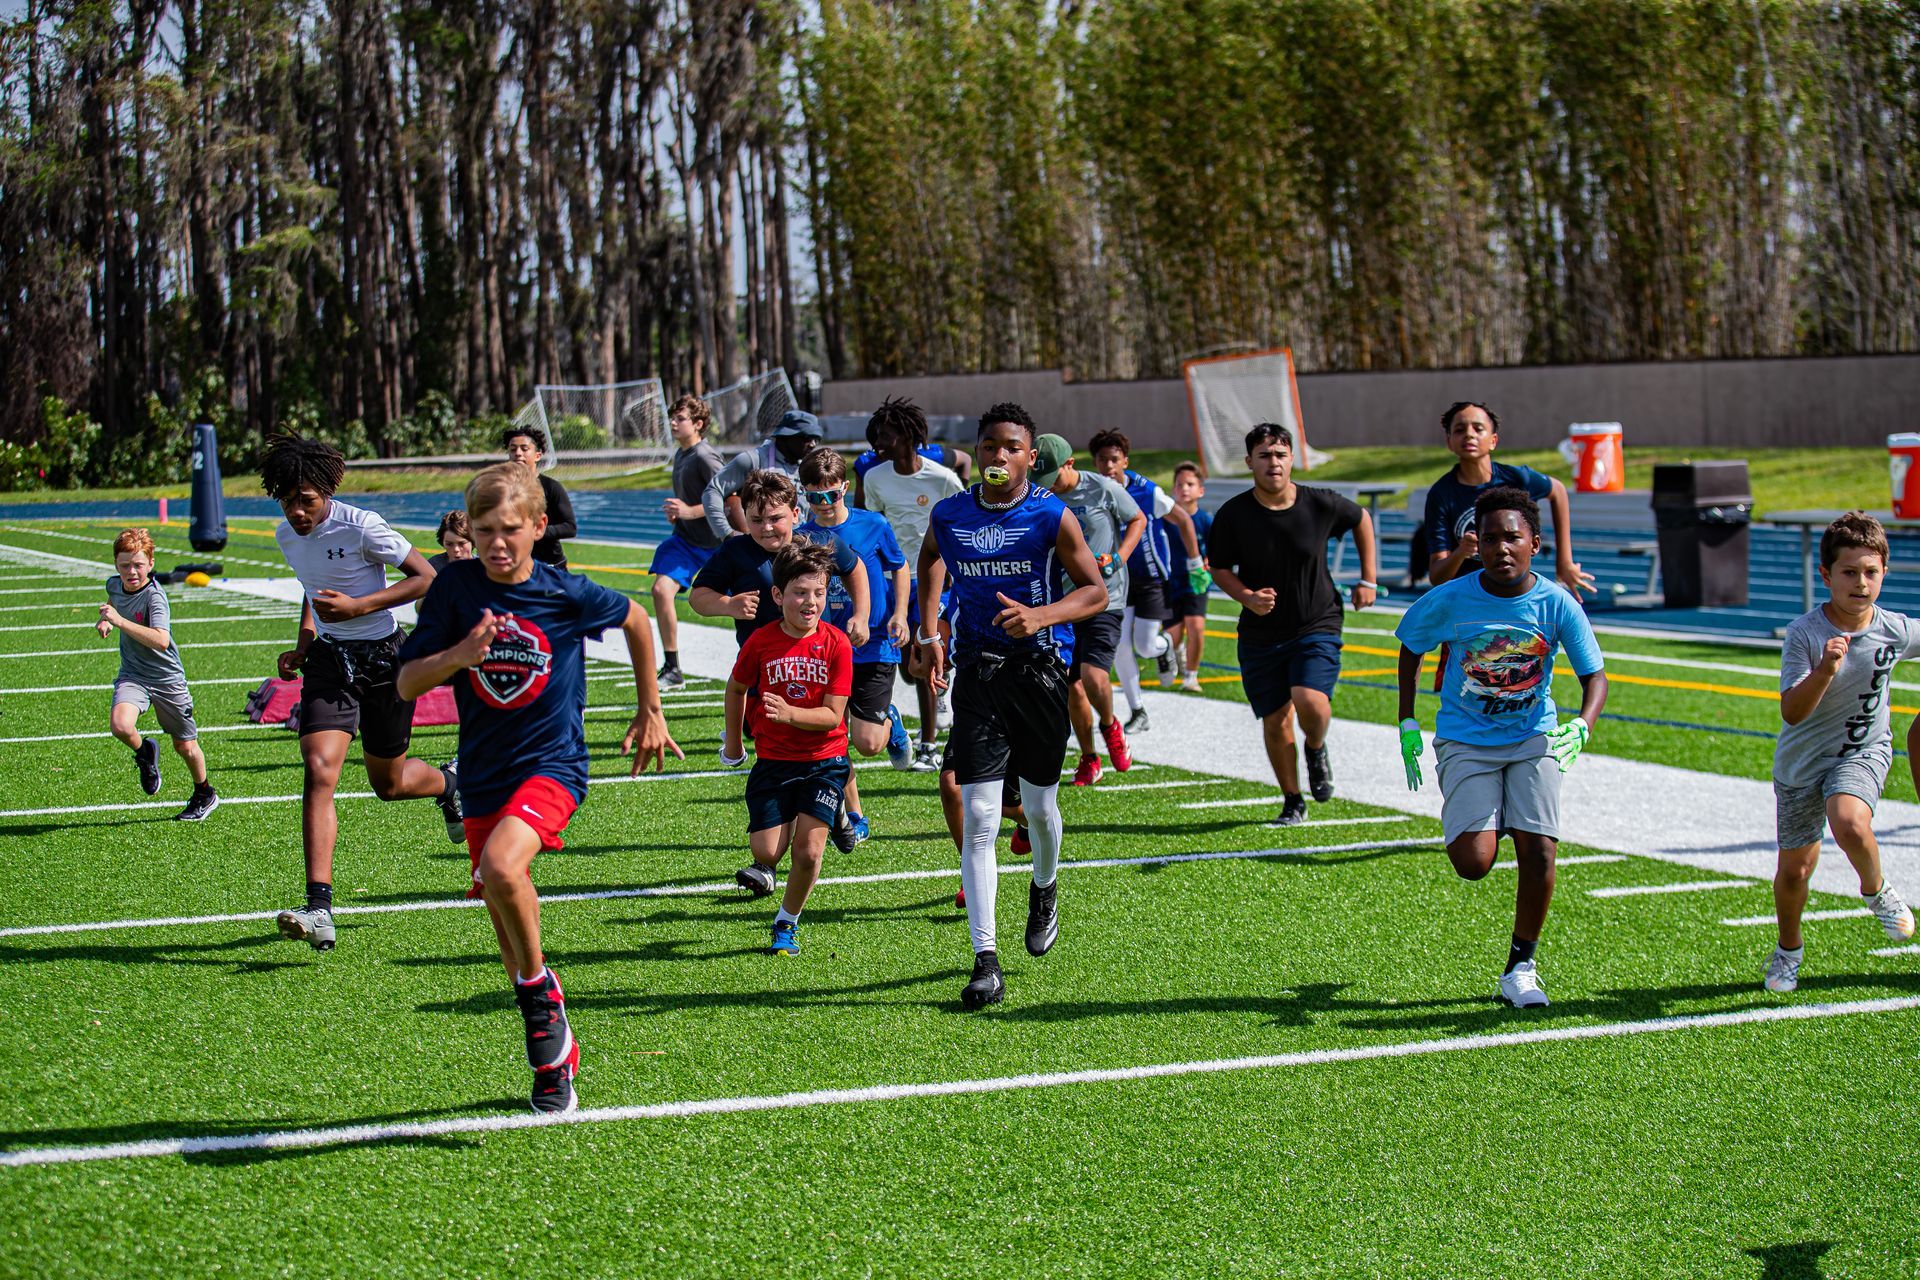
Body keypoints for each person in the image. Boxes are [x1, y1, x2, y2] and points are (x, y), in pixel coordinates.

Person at [398, 462, 680, 1114]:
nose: (498, 544)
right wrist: (457, 657)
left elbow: (638, 618)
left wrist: (652, 708)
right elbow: (408, 684)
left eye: (511, 531)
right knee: (503, 913)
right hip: (484, 772)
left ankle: (540, 1000)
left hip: (554, 765)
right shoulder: (455, 591)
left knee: (501, 865)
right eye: (485, 530)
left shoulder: (565, 592)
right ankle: (555, 1060)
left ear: (538, 527)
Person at [920, 402, 1108, 1009]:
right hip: (978, 674)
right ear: (978, 452)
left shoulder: (1050, 515)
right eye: (988, 446)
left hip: (1040, 676)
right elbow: (928, 563)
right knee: (978, 818)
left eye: (1010, 447)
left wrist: (1040, 617)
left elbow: (1095, 593)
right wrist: (930, 632)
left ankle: (1045, 886)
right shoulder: (950, 513)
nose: (997, 456)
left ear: (1031, 457)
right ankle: (984, 961)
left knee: (1039, 808)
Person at [1394, 486, 1608, 1009]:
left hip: (1534, 736)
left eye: (1512, 537)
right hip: (1466, 739)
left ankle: (1521, 966)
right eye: (1489, 538)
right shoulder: (1452, 597)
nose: (1501, 548)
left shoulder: (1556, 602)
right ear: (1477, 544)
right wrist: (1406, 719)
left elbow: (1594, 675)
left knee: (1539, 851)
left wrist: (1583, 723)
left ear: (1535, 542)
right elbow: (1410, 645)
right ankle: (1497, 814)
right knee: (1473, 861)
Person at [262, 434, 461, 953]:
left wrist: (360, 606)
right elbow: (313, 594)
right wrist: (304, 645)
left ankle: (448, 784)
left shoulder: (363, 526)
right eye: (288, 501)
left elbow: (425, 578)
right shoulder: (287, 535)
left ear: (327, 489)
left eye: (306, 499)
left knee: (389, 785)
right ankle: (319, 908)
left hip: (384, 660)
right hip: (331, 662)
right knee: (319, 769)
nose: (298, 511)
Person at [1766, 512, 1920, 994]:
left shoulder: (1894, 629)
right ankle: (1788, 950)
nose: (1861, 583)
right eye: (1849, 572)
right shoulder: (1805, 634)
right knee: (1796, 871)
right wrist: (1826, 670)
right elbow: (1793, 711)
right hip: (1801, 765)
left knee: (1850, 819)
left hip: (1863, 751)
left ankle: (1875, 890)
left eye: (1871, 572)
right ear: (1826, 576)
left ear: (1884, 574)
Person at [1208, 423, 1379, 826]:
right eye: (1264, 456)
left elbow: (1362, 518)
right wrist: (1247, 597)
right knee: (1275, 718)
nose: (1273, 463)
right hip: (1261, 633)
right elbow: (1218, 568)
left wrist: (1368, 579)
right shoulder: (1233, 514)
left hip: (1315, 621)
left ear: (1292, 460)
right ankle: (1292, 799)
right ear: (1250, 462)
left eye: (1281, 455)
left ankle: (1316, 748)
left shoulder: (1319, 504)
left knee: (1310, 700)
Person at [719, 540, 855, 955]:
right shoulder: (760, 642)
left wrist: (790, 713)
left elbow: (833, 716)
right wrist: (732, 740)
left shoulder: (837, 644)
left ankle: (786, 922)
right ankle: (836, 816)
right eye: (799, 592)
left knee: (809, 853)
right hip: (774, 762)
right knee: (766, 852)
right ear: (778, 596)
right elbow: (737, 687)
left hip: (823, 761)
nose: (810, 602)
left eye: (818, 592)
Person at [798, 447, 915, 838]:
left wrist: (899, 614)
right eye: (815, 497)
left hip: (875, 642)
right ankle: (855, 816)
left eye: (831, 494)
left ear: (844, 488)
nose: (825, 504)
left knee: (866, 743)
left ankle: (890, 720)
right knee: (832, 736)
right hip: (824, 649)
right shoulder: (801, 536)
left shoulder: (873, 524)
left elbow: (899, 568)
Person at [1031, 433, 1145, 786]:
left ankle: (1110, 725)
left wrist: (1119, 558)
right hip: (1063, 603)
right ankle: (1089, 757)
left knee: (1095, 677)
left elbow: (1137, 519)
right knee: (1072, 687)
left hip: (1104, 597)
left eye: (1055, 478)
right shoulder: (1041, 498)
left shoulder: (1101, 488)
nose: (1050, 487)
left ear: (1070, 464)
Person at [860, 397, 965, 770]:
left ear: (907, 435)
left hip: (933, 580)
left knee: (923, 658)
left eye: (884, 436)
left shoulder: (942, 478)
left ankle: (928, 746)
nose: (878, 446)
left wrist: (955, 565)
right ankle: (926, 699)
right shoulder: (874, 478)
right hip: (892, 581)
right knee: (908, 667)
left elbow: (962, 524)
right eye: (875, 439)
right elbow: (872, 528)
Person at [97, 527, 218, 821]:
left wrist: (120, 622)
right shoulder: (114, 585)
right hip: (134, 674)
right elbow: (114, 603)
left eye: (138, 564)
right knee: (120, 725)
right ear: (116, 565)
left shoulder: (155, 598)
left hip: (167, 680)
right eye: (125, 565)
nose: (132, 571)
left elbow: (161, 640)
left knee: (185, 746)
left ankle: (204, 793)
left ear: (151, 564)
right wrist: (107, 621)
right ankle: (145, 752)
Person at [1089, 430, 1201, 734]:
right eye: (1102, 460)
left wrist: (1194, 562)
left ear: (1125, 460)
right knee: (1121, 648)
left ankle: (1164, 647)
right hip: (1116, 580)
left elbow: (1184, 520)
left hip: (1151, 578)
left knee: (1145, 644)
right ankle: (1138, 711)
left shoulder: (1146, 491)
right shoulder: (1093, 490)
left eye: (1114, 459)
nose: (1109, 466)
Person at [1424, 401, 1594, 596]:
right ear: (1449, 442)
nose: (1469, 434)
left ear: (1493, 440)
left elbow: (1558, 491)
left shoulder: (1517, 479)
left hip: (1516, 593)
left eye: (1478, 429)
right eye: (1460, 430)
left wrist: (1564, 562)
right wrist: (1461, 552)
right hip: (1466, 596)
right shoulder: (1441, 494)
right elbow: (1437, 577)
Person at [689, 469, 868, 650]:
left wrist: (861, 614)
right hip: (761, 664)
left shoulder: (819, 542)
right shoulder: (735, 551)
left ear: (795, 514)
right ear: (745, 517)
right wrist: (728, 605)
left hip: (817, 660)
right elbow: (698, 597)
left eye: (775, 518)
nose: (767, 527)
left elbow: (854, 568)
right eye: (757, 520)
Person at [651, 394, 725, 690]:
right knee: (660, 589)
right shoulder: (681, 454)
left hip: (716, 544)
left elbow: (728, 498)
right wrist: (678, 515)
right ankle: (672, 666)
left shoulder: (706, 457)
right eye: (673, 418)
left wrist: (689, 511)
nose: (673, 423)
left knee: (749, 605)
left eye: (680, 418)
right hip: (685, 540)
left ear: (698, 423)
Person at [700, 410, 824, 540]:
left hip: (797, 546)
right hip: (761, 546)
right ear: (785, 436)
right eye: (806, 438)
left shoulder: (808, 466)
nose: (812, 444)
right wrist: (726, 533)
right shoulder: (753, 460)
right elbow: (712, 491)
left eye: (816, 439)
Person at [1161, 462, 1213, 693]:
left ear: (1200, 490)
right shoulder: (1163, 520)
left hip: (1195, 583)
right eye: (1179, 484)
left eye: (1190, 484)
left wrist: (1208, 563)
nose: (1184, 489)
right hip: (1169, 584)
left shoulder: (1205, 520)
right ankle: (1178, 652)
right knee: (1172, 636)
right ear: (1173, 490)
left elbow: (1216, 550)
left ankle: (1191, 676)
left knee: (1196, 626)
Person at [503, 425, 578, 571]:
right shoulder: (500, 487)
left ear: (537, 455)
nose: (518, 453)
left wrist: (536, 531)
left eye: (524, 449)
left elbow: (570, 527)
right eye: (513, 449)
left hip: (550, 566)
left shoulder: (551, 487)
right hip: (514, 565)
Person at [852, 422, 970, 508]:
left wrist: (953, 499)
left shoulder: (930, 457)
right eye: (878, 447)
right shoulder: (866, 466)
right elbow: (861, 510)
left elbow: (965, 459)